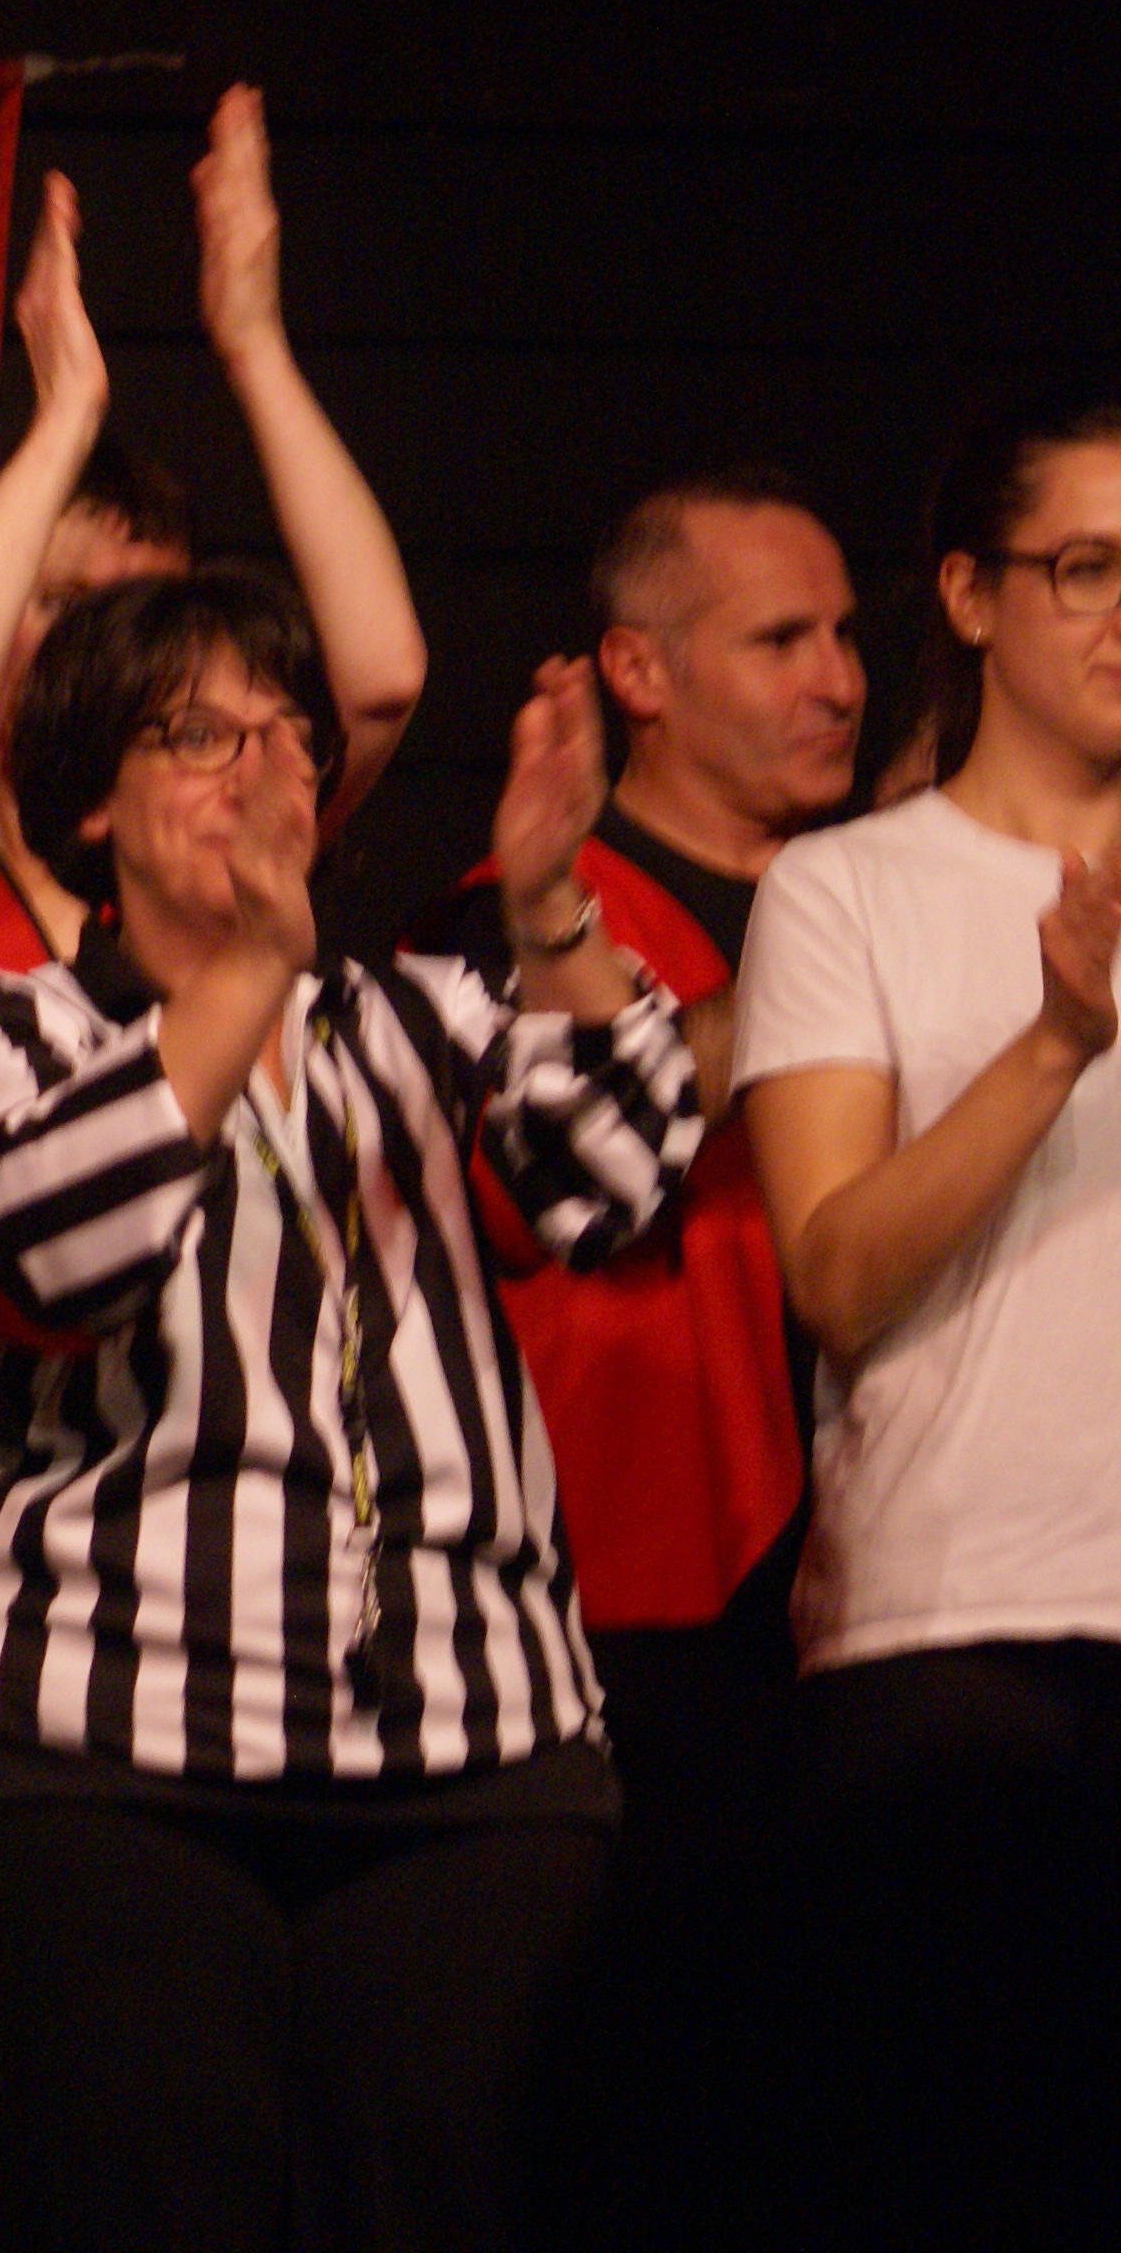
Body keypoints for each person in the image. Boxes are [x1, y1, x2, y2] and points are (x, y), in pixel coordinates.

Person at [0, 566, 699, 2253]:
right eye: (199, 734)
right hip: (96, 1749)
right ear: (91, 803)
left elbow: (616, 1171)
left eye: (288, 734)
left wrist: (550, 903)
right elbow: (51, 1253)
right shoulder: (3, 1029)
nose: (261, 769)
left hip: (468, 1750)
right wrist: (249, 966)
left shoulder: (421, 1017)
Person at [0, 86, 427, 1578]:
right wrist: (61, 419)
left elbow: (378, 679)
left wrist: (253, 344)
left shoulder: (215, 823)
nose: (93, 649)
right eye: (54, 603)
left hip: (245, 1420)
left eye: (140, 617)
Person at [401, 473, 859, 2243]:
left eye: (843, 636)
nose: (836, 679)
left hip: (864, 1599)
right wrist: (834, 979)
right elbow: (582, 1186)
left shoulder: (873, 888)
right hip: (629, 1625)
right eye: (781, 640)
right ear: (639, 671)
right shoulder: (506, 921)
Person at [734, 389, 1121, 2249]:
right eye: (1089, 569)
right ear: (972, 596)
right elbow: (835, 1273)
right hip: (961, 1631)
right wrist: (1053, 1046)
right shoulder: (849, 890)